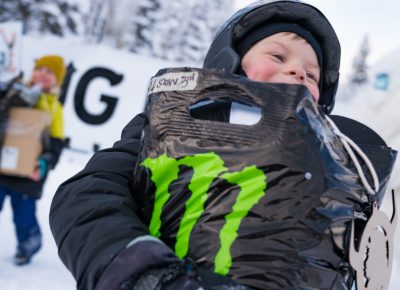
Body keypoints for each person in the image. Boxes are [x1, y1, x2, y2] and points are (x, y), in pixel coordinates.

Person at [49, 1, 395, 290]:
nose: (298, 72)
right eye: (278, 56)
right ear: (228, 62)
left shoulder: (337, 166)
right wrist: (145, 274)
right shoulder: (171, 128)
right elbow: (85, 198)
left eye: (312, 73)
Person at [0, 54, 66, 266]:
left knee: (24, 216)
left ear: (57, 81)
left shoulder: (55, 108)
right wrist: (13, 98)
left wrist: (44, 164)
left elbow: (56, 144)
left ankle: (29, 243)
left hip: (28, 174)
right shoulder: (13, 90)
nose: (43, 74)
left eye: (50, 73)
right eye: (40, 69)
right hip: (2, 167)